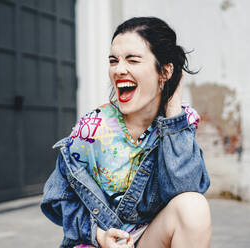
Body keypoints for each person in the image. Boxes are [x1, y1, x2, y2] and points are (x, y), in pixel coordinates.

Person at [41, 17, 211, 248]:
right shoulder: (92, 129)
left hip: (149, 239)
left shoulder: (181, 123)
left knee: (193, 206)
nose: (119, 70)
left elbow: (185, 190)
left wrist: (173, 111)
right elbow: (58, 199)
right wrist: (99, 235)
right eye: (114, 61)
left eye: (132, 60)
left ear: (165, 71)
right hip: (99, 244)